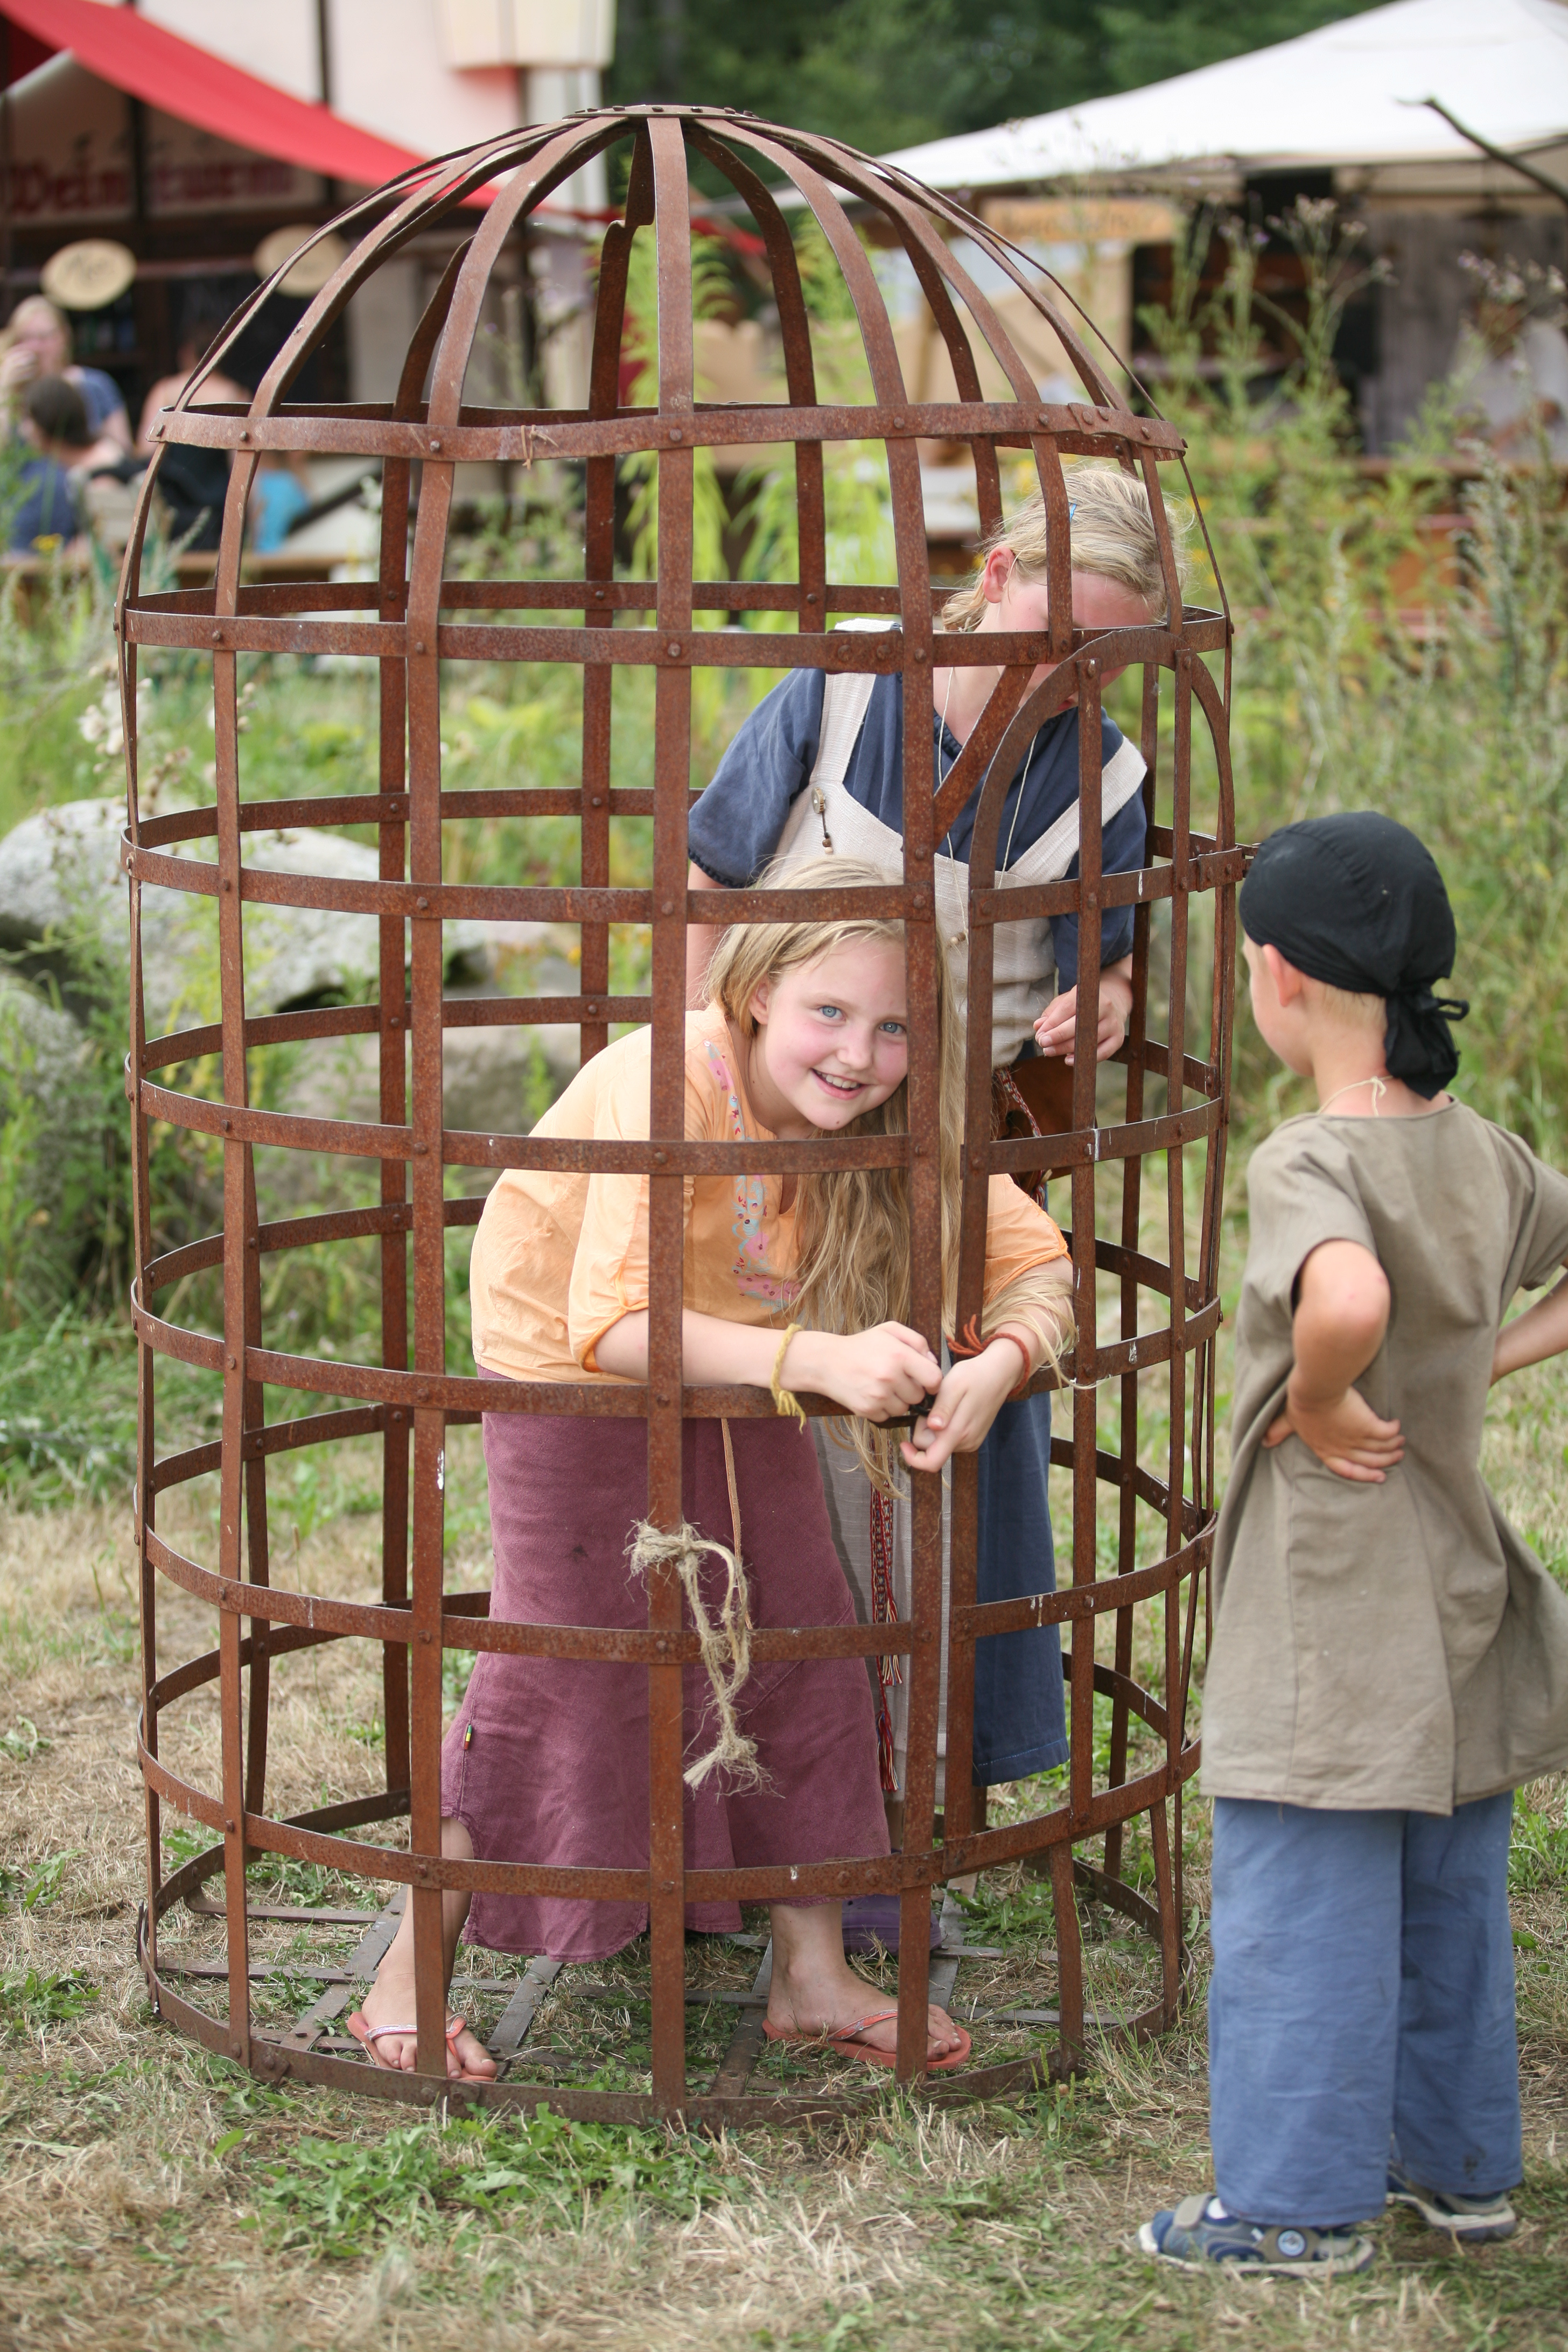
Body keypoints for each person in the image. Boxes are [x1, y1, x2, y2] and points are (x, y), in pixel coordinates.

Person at [348, 857, 1075, 2081]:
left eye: (896, 1027)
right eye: (829, 1011)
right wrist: (823, 1359)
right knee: (566, 1665)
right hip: (572, 1375)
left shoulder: (896, 1112)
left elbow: (1032, 1258)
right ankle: (404, 1980)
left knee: (800, 1636)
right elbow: (612, 1325)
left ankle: (811, 1974)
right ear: (755, 992)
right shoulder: (669, 1080)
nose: (858, 1055)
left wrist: (998, 1365)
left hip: (744, 1365)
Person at [683, 461, 1186, 1934]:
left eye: (1102, 657)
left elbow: (1106, 952)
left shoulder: (1106, 777)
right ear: (997, 577)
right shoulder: (843, 697)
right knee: (766, 1476)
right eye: (1054, 634)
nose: (1068, 674)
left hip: (954, 1166)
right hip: (775, 1151)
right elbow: (708, 894)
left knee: (949, 1465)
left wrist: (1107, 995)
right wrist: (692, 1099)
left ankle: (926, 1811)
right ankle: (733, 1816)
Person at [1140, 811, 1568, 2276]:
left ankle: (1293, 2206)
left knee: (1299, 1890)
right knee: (1447, 1889)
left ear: (1277, 976)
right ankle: (1457, 2171)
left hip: (1328, 1606)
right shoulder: (1481, 1151)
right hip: (1456, 1590)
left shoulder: (1309, 1159)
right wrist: (1481, 1362)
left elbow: (1348, 1301)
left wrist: (1322, 1395)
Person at [0, 295, 131, 452]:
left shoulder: (94, 385)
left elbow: (123, 452)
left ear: (64, 337)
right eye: (26, 338)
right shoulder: (11, 391)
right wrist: (5, 390)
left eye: (43, 337)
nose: (35, 348)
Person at [6, 377, 93, 556]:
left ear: (41, 425)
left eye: (27, 419)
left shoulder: (98, 474)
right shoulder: (64, 470)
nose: (23, 430)